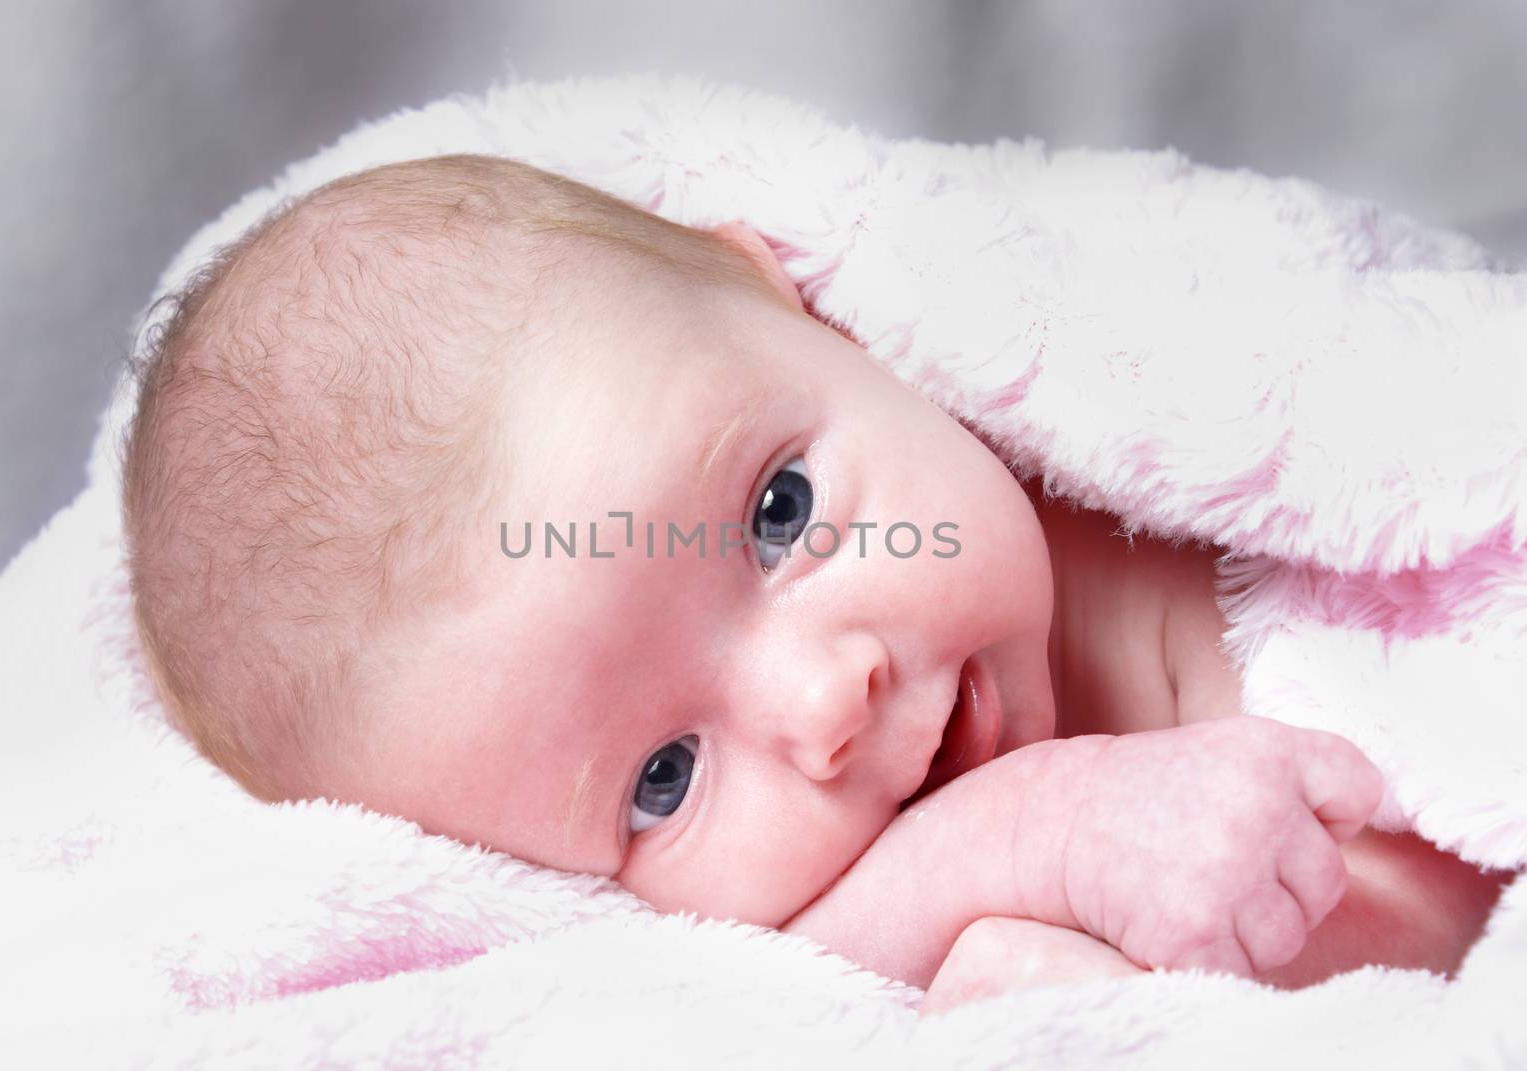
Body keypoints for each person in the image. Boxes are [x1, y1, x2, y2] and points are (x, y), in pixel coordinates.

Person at [121, 154, 1510, 1012]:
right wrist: (1019, 845)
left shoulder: (1200, 484)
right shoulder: (777, 947)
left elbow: (1467, 886)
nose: (825, 704)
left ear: (795, 300)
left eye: (779, 513)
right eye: (661, 781)